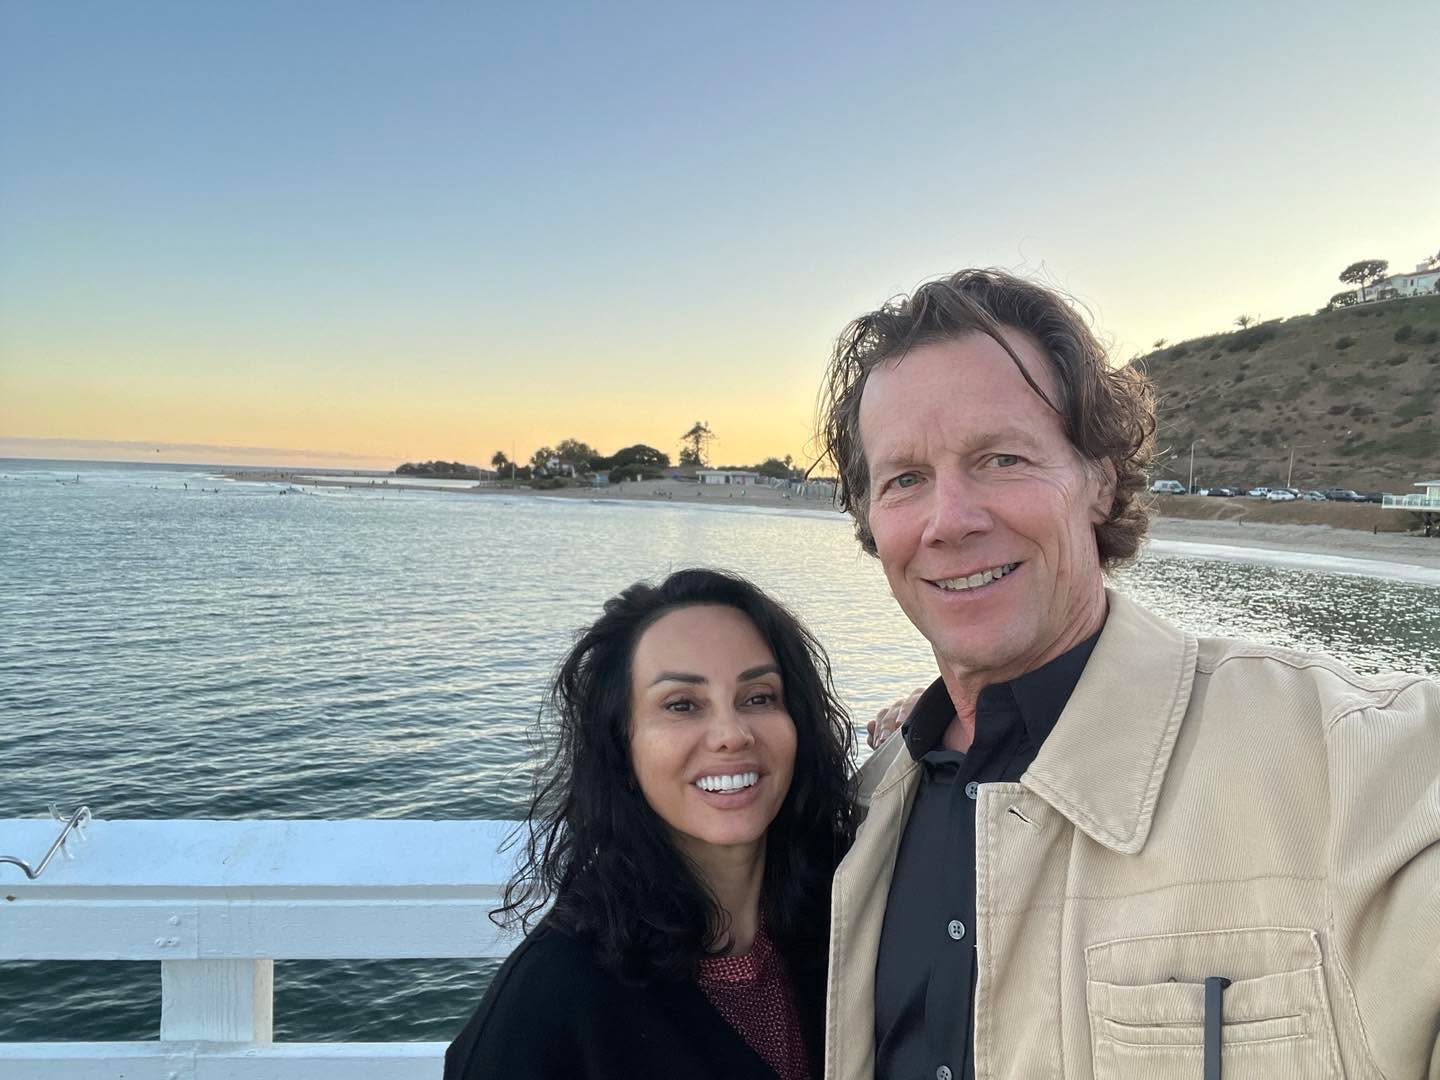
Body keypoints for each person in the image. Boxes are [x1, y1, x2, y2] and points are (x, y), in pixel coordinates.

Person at [816, 269, 1440, 1079]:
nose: (950, 520)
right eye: (904, 479)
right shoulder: (862, 813)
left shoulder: (1350, 764)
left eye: (1002, 458)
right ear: (870, 520)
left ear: (1099, 481)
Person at [445, 568, 857, 1079]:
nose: (731, 734)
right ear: (623, 746)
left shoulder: (844, 925)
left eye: (759, 697)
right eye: (682, 705)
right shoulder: (552, 1000)